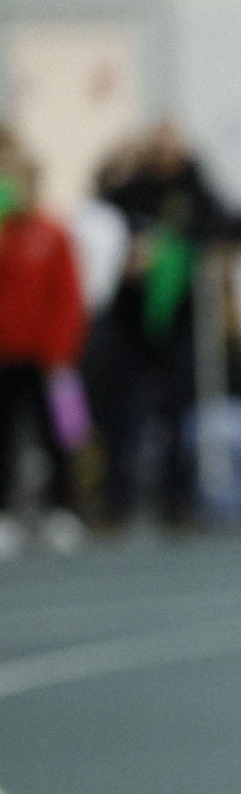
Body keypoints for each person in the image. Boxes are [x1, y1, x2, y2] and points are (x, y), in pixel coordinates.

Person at [90, 122, 228, 529]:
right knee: (121, 416)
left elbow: (218, 228)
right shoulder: (130, 189)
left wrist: (173, 249)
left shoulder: (197, 190)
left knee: (178, 415)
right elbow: (100, 218)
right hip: (128, 325)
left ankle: (178, 501)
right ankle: (116, 502)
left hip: (178, 324)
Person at [0, 153, 89, 555]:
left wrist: (61, 353)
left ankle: (64, 512)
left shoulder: (53, 233)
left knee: (62, 433)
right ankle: (5, 517)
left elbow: (68, 297)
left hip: (49, 359)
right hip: (4, 357)